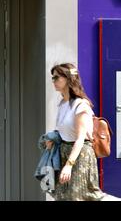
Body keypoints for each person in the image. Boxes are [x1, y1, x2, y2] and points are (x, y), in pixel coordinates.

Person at [46, 63, 106, 201]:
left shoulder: (81, 105)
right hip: (64, 151)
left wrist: (68, 165)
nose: (53, 81)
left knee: (78, 196)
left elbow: (80, 139)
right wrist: (54, 138)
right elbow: (64, 128)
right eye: (52, 78)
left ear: (67, 79)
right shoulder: (63, 103)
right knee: (62, 196)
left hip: (80, 155)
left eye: (56, 77)